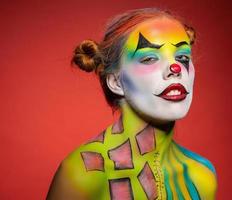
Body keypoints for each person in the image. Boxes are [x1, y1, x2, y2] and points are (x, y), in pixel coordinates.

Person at [47, 8, 217, 200]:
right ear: (116, 82)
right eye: (150, 58)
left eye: (183, 57)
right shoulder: (83, 173)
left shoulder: (200, 175)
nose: (175, 68)